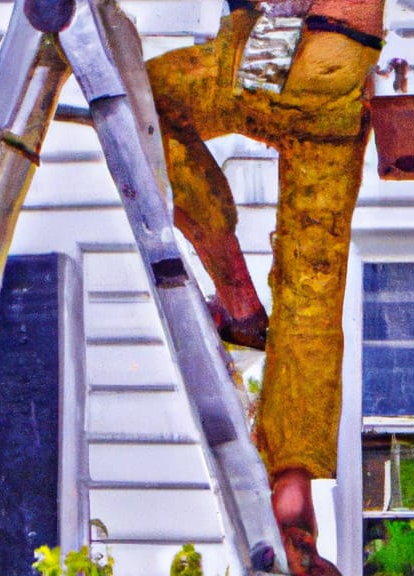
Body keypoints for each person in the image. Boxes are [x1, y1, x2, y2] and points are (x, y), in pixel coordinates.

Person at [146, 1, 385, 573]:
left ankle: (239, 300)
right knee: (311, 302)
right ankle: (293, 489)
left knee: (141, 109)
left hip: (288, 44)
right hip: (347, 67)